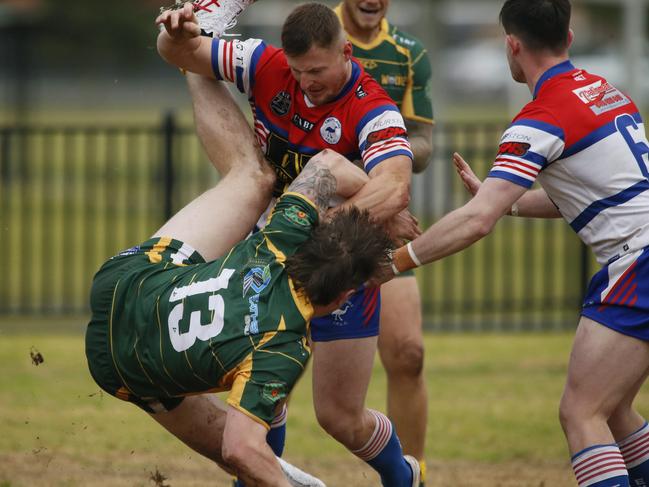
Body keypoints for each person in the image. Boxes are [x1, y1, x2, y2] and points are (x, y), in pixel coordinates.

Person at [155, 2, 422, 486]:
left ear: (345, 52)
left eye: (317, 71)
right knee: (256, 390)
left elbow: (395, 187)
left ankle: (404, 476)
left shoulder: (372, 107)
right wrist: (180, 34)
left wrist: (301, 226)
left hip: (336, 262)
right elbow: (183, 56)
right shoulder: (265, 62)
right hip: (268, 256)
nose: (306, 83)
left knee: (340, 418)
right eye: (298, 72)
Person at [84, 75, 397, 487]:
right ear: (345, 297)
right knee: (248, 456)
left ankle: (194, 61)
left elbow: (327, 163)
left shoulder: (281, 236)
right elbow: (239, 448)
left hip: (125, 282)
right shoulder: (282, 347)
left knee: (253, 176)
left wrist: (377, 200)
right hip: (121, 368)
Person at [384, 1, 649, 486]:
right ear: (568, 37)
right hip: (642, 255)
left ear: (512, 44)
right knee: (613, 410)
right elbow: (590, 194)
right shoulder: (604, 90)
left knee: (581, 413)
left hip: (638, 264)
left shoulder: (540, 117)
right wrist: (509, 201)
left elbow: (475, 222)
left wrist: (395, 261)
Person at [336, 1, 434, 481]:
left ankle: (409, 473)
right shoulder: (317, 37)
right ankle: (259, 466)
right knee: (279, 360)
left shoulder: (408, 52)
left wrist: (385, 139)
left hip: (380, 219)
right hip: (323, 220)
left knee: (408, 353)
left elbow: (424, 143)